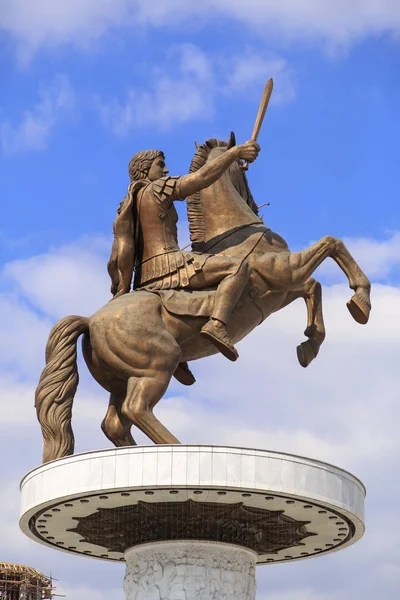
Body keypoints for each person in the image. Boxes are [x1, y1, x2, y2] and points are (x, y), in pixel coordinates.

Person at [108, 139, 260, 363]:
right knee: (238, 267)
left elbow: (120, 252)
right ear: (144, 170)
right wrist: (234, 152)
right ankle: (217, 324)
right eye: (160, 165)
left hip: (144, 279)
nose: (166, 170)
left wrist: (122, 289)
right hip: (171, 265)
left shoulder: (127, 204)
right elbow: (200, 179)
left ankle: (177, 348)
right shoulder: (157, 188)